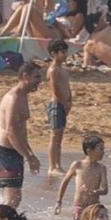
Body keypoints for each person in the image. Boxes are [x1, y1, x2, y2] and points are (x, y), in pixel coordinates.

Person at [0, 63, 43, 208]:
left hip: (15, 152)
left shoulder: (23, 96)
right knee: (11, 200)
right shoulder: (13, 98)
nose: (40, 81)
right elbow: (11, 131)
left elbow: (21, 131)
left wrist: (30, 153)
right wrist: (28, 157)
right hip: (4, 153)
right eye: (37, 77)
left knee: (13, 200)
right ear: (25, 77)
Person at [54, 134, 108, 219]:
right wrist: (58, 202)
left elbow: (105, 190)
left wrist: (93, 192)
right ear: (89, 151)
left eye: (103, 149)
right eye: (100, 149)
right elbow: (64, 182)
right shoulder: (77, 165)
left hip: (94, 207)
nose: (103, 152)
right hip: (79, 206)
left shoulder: (101, 168)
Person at [45, 40, 72, 173]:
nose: (65, 54)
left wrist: (69, 101)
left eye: (65, 51)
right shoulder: (53, 70)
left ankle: (58, 164)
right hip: (56, 104)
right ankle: (52, 166)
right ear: (53, 54)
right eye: (62, 52)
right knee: (54, 136)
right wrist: (64, 102)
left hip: (63, 104)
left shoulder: (63, 69)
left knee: (59, 136)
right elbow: (55, 89)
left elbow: (67, 87)